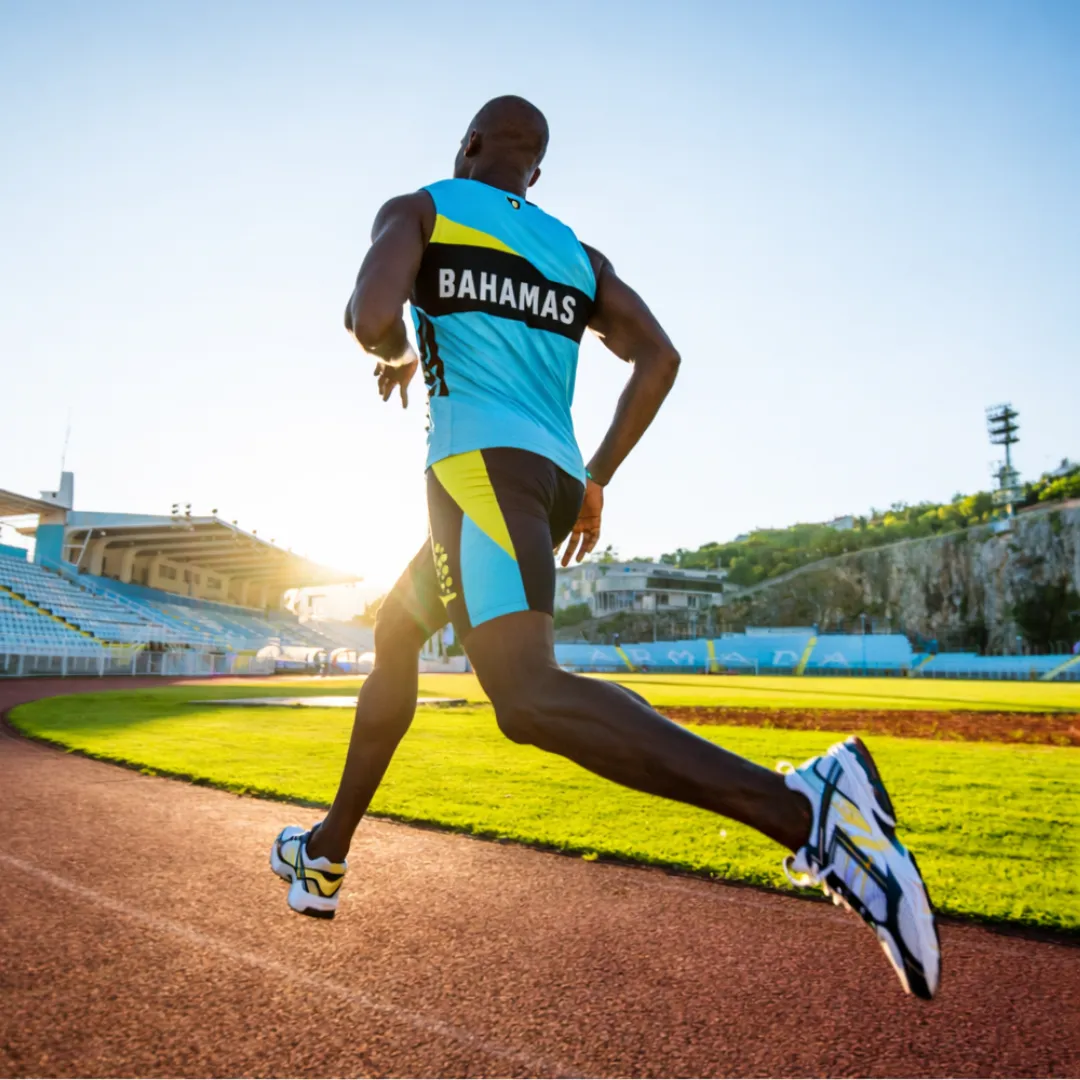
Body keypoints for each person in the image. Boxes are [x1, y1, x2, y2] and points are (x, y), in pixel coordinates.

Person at [270, 96, 940, 1000]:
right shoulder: (577, 258)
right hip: (539, 483)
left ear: (467, 148)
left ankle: (807, 809)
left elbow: (368, 313)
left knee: (526, 698)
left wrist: (393, 352)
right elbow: (657, 357)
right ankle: (324, 854)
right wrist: (597, 475)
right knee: (397, 631)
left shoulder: (421, 207)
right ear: (535, 174)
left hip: (475, 476)